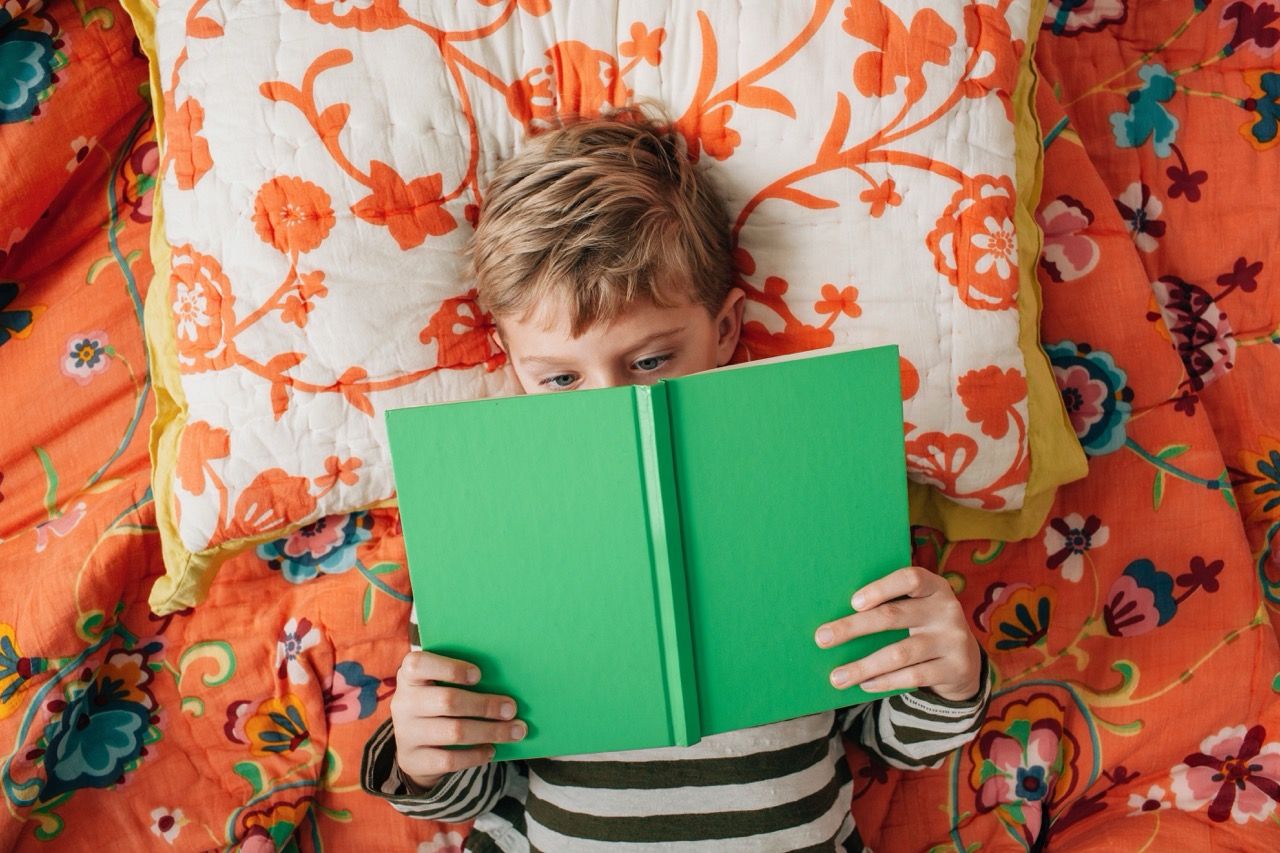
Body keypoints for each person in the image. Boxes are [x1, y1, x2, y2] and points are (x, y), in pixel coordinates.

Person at [362, 108, 990, 851]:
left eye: (651, 361)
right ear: (510, 363)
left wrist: (952, 674)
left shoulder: (809, 497)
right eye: (560, 376)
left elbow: (898, 741)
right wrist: (421, 748)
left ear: (725, 330)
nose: (610, 404)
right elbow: (469, 785)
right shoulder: (496, 530)